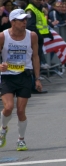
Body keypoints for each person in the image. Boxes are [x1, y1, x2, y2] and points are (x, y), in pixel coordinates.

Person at [0, 9, 42, 150]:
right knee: (8, 107)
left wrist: (37, 78)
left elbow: (35, 57)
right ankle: (3, 129)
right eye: (21, 20)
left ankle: (21, 139)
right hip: (7, 77)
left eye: (26, 19)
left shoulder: (32, 36)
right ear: (13, 22)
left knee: (20, 111)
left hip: (24, 75)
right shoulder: (3, 36)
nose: (25, 22)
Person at [25, 0, 53, 94]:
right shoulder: (30, 10)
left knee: (36, 62)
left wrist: (47, 33)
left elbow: (41, 24)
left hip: (38, 40)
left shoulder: (38, 9)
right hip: (33, 40)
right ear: (31, 0)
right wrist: (40, 35)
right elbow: (30, 26)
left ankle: (35, 85)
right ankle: (33, 86)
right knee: (34, 63)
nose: (39, 1)